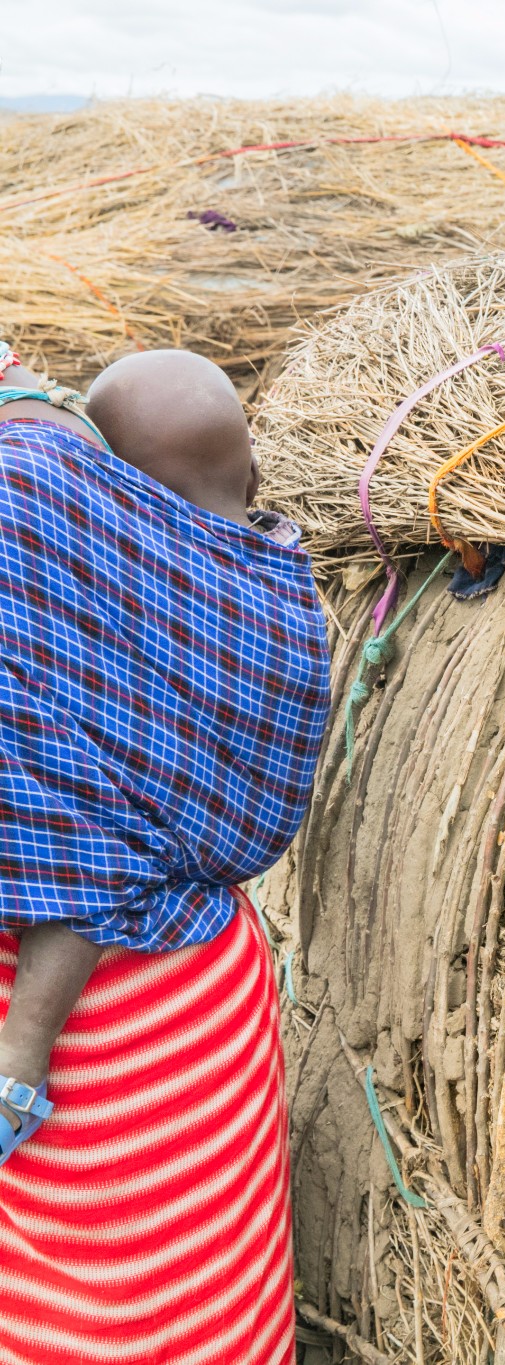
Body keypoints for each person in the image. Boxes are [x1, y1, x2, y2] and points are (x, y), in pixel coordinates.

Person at [0, 347, 330, 1363]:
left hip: (90, 1033)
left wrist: (19, 1056)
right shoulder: (285, 612)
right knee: (215, 1288)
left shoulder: (45, 536)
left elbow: (85, 847)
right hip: (206, 996)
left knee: (86, 1309)